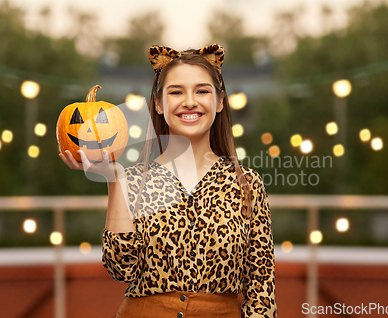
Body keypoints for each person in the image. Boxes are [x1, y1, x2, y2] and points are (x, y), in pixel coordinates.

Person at [59, 44, 277, 318]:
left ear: (220, 102)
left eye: (202, 91)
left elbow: (262, 289)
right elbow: (121, 268)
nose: (189, 101)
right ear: (159, 104)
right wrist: (115, 181)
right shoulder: (132, 180)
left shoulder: (248, 184)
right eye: (176, 92)